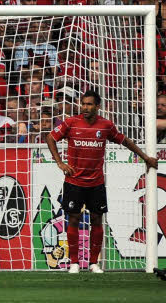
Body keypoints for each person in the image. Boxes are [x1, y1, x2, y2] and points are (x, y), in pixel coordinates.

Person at [45, 89, 159, 274]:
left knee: (97, 220)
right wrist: (60, 162)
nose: (85, 107)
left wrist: (145, 157)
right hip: (74, 181)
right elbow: (50, 137)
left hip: (96, 183)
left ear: (98, 106)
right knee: (73, 218)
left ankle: (93, 263)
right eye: (83, 104)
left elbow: (124, 141)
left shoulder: (105, 126)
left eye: (89, 104)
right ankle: (74, 263)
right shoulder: (71, 123)